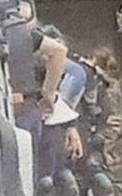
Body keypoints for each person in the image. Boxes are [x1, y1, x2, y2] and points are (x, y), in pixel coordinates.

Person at [6, 3, 68, 185]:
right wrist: (48, 94)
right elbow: (59, 51)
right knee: (26, 178)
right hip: (24, 109)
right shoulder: (22, 35)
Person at [35, 25, 86, 196]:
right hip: (44, 135)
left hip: (52, 141)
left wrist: (71, 125)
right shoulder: (73, 71)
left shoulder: (71, 73)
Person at [74, 47, 122, 196]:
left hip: (109, 148)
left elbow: (113, 120)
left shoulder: (109, 89)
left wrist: (102, 139)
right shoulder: (102, 85)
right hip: (103, 145)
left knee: (111, 186)